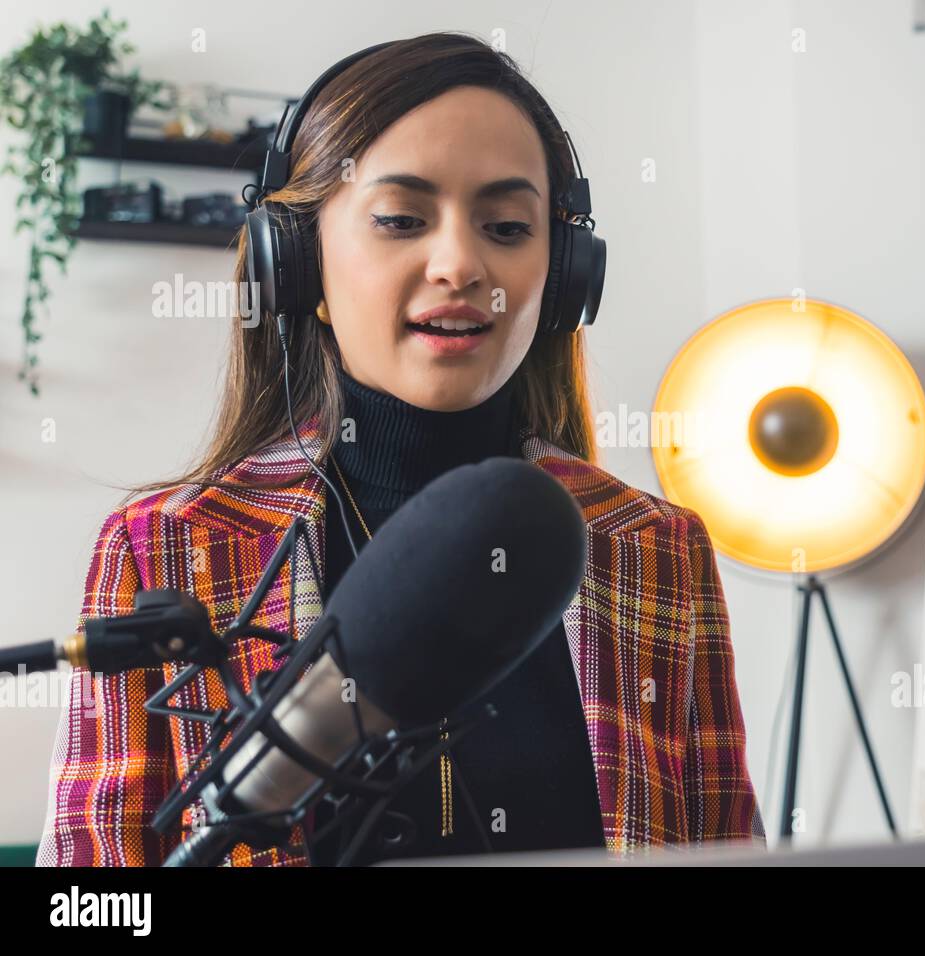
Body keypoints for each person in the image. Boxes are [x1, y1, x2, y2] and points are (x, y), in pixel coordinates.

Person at [35, 31, 764, 867]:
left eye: (506, 224)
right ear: (297, 264)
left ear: (564, 274)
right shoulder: (160, 551)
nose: (459, 262)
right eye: (400, 219)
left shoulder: (658, 552)